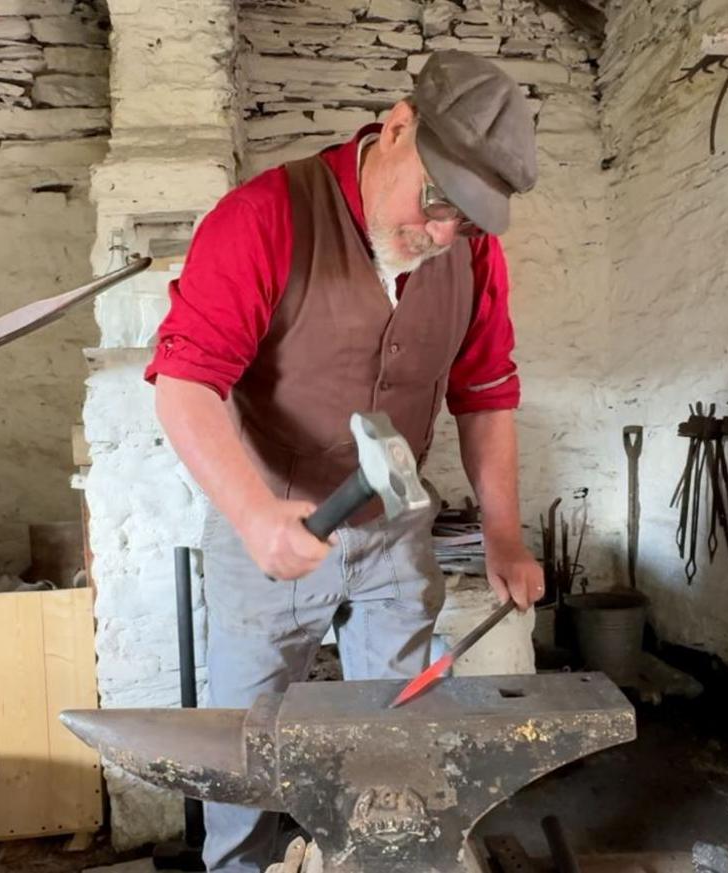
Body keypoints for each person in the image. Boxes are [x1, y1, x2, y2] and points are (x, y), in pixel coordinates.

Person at [144, 50, 545, 872]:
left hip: (394, 530)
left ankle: (380, 860)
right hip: (273, 522)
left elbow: (486, 391)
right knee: (247, 741)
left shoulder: (470, 257)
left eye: (465, 220)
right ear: (398, 126)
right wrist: (255, 515)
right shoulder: (264, 217)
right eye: (438, 201)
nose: (441, 234)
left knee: (393, 733)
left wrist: (503, 532)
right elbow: (185, 384)